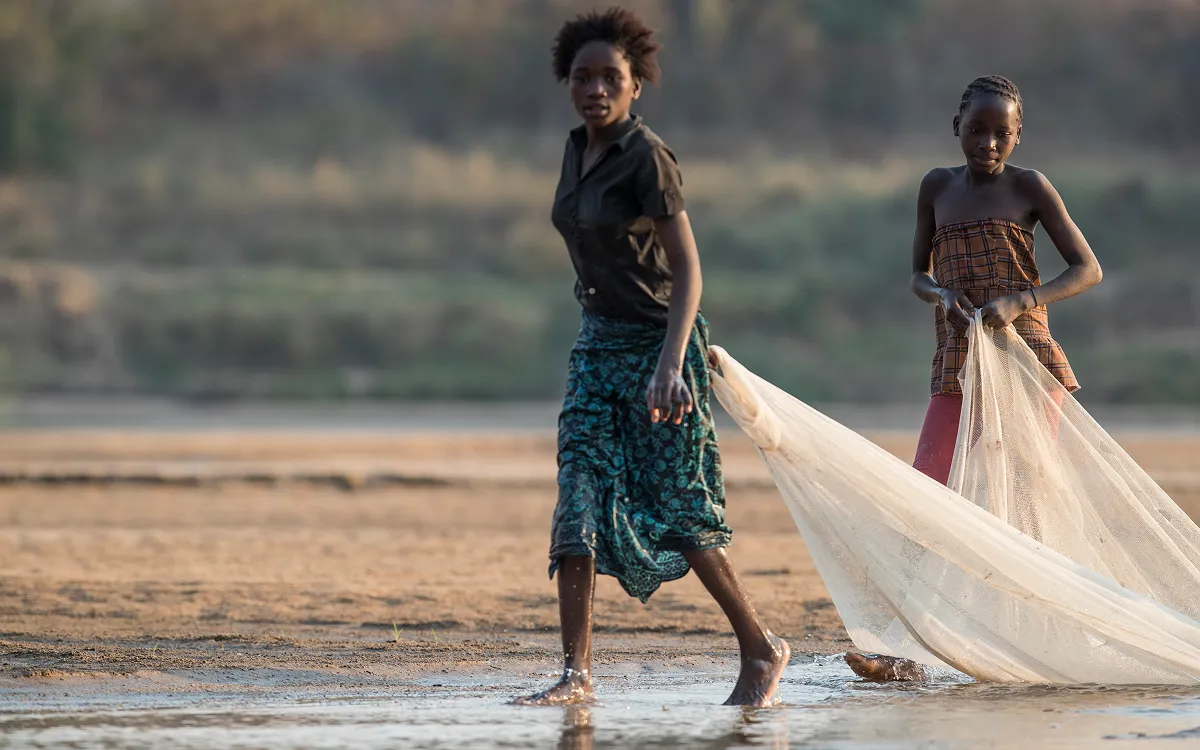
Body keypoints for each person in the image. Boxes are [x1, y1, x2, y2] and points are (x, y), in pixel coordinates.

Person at [513, 8, 789, 706]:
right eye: (583, 77)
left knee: (680, 506)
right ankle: (576, 675)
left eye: (611, 77)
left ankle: (760, 648)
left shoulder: (647, 156)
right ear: (567, 84)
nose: (595, 89)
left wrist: (670, 365)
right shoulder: (576, 151)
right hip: (596, 346)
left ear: (636, 85)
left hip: (661, 349)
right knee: (576, 495)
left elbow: (689, 270)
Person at [845, 75, 1103, 682]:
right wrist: (940, 294)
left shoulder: (1029, 186)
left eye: (1001, 133)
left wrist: (1022, 300)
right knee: (927, 492)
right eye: (977, 130)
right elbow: (917, 274)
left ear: (1018, 136)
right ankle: (903, 651)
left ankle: (1040, 643)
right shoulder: (937, 187)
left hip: (1026, 360)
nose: (988, 142)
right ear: (955, 128)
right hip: (957, 360)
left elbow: (1087, 268)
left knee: (1027, 501)